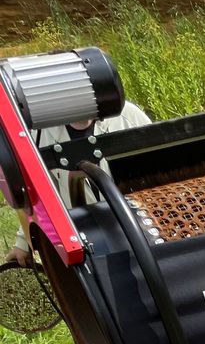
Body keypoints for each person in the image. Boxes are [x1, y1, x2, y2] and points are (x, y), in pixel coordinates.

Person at [5, 100, 151, 266]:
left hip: (138, 232)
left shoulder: (129, 118)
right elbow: (37, 199)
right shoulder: (39, 134)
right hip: (85, 242)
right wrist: (24, 243)